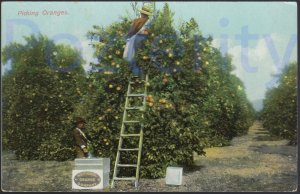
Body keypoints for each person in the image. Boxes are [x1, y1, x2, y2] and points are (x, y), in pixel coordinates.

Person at [123, 4, 153, 78]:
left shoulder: (137, 21)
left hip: (136, 40)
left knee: (133, 58)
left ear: (142, 13)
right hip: (146, 41)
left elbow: (131, 31)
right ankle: (140, 75)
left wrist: (126, 36)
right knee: (141, 59)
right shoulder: (150, 22)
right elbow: (149, 33)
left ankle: (136, 75)